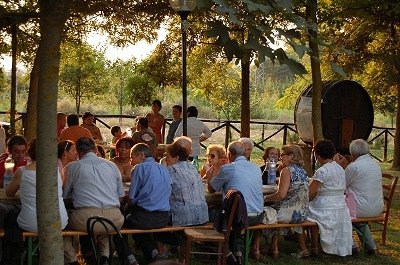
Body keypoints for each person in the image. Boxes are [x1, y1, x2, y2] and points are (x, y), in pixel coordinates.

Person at [63, 137, 126, 265]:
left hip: (85, 219)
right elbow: (121, 196)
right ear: (96, 149)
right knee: (103, 227)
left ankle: (72, 259)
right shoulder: (112, 166)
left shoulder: (72, 167)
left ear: (78, 152)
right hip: (114, 219)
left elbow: (64, 195)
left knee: (61, 225)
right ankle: (104, 256)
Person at [207, 141, 263, 264]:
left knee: (207, 215)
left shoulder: (229, 168)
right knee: (231, 214)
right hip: (257, 215)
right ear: (245, 153)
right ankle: (237, 251)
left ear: (229, 154)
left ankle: (224, 251)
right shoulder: (256, 168)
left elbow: (211, 189)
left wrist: (210, 175)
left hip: (239, 217)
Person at [6, 138, 69, 232]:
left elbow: (9, 193)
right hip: (59, 222)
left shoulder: (22, 171)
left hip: (31, 223)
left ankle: (20, 246)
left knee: (11, 216)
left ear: (30, 152)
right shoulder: (57, 170)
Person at [335, 139, 383, 254]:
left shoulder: (354, 167)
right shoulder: (375, 164)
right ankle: (370, 247)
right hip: (377, 207)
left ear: (353, 154)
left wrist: (339, 167)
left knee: (337, 210)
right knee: (358, 219)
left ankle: (352, 245)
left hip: (360, 209)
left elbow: (341, 185)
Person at [124, 143, 171, 262]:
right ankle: (153, 253)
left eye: (132, 157)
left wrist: (125, 198)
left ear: (142, 155)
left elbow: (131, 198)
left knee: (119, 225)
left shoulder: (140, 168)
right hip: (163, 217)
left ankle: (128, 257)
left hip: (145, 216)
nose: (131, 161)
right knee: (138, 227)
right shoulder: (164, 168)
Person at [308, 139, 353, 256]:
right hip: (340, 206)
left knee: (307, 212)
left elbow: (310, 192)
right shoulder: (340, 168)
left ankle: (314, 246)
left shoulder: (321, 171)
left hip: (324, 205)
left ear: (317, 154)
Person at [264, 144, 309, 258]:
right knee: (279, 210)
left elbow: (281, 195)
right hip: (302, 213)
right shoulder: (303, 171)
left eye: (283, 155)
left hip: (287, 214)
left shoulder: (287, 171)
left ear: (291, 156)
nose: (280, 158)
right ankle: (303, 249)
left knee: (264, 213)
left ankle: (260, 248)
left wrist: (265, 198)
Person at [165, 142, 209, 226]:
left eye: (167, 156)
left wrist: (162, 165)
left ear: (177, 158)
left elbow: (162, 192)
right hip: (201, 216)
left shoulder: (170, 170)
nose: (166, 159)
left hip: (182, 219)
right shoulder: (192, 167)